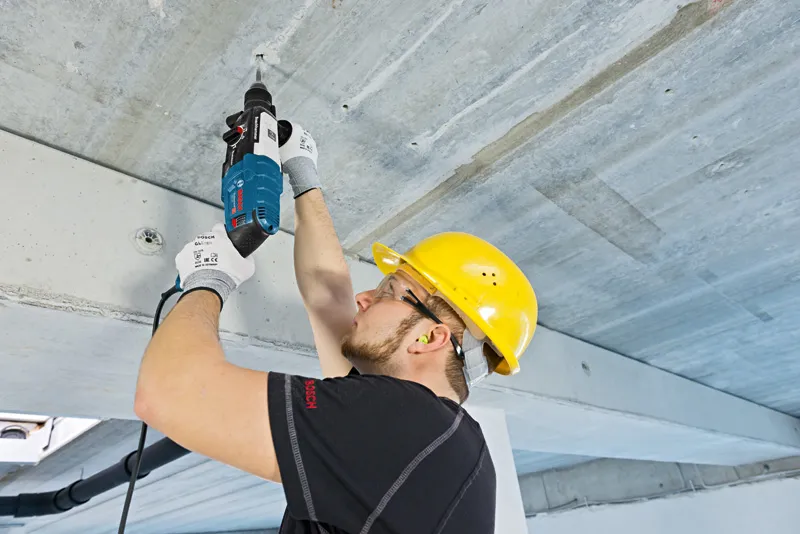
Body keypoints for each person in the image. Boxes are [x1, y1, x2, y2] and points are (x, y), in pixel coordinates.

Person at [134, 122, 538, 534]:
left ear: (430, 337)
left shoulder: (409, 425)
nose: (364, 298)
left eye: (389, 291)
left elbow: (171, 393)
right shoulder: (437, 446)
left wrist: (210, 279)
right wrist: (302, 169)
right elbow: (329, 298)